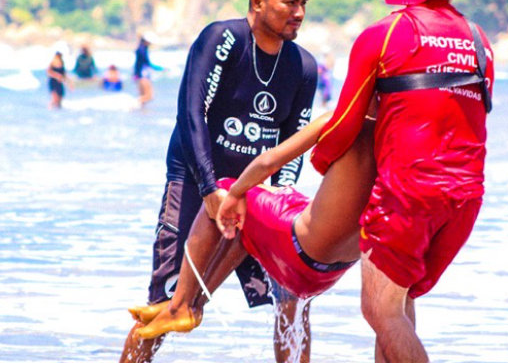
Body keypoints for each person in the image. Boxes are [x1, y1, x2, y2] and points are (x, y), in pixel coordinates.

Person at [119, 0, 318, 363]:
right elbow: (191, 113)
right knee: (167, 303)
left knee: (293, 296)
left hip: (259, 192)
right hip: (197, 180)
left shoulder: (303, 66)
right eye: (289, 3)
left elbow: (293, 145)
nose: (298, 13)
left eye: (303, 4)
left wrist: (268, 195)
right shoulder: (223, 38)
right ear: (257, 1)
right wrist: (211, 190)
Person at [308, 0, 494, 361]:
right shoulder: (480, 41)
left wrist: (324, 167)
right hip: (465, 198)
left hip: (407, 194)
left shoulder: (386, 33)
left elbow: (343, 122)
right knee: (400, 301)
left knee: (380, 309)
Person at [127, 110, 375, 346]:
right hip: (332, 273)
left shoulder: (342, 117)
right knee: (250, 220)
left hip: (301, 252)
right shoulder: (397, 139)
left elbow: (268, 162)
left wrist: (235, 193)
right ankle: (195, 304)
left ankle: (180, 305)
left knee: (226, 194)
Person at [133, 35, 164, 106]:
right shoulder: (142, 51)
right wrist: (159, 68)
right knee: (149, 96)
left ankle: (141, 114)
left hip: (139, 76)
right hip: (143, 76)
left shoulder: (141, 49)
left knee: (143, 97)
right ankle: (133, 104)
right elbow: (147, 63)